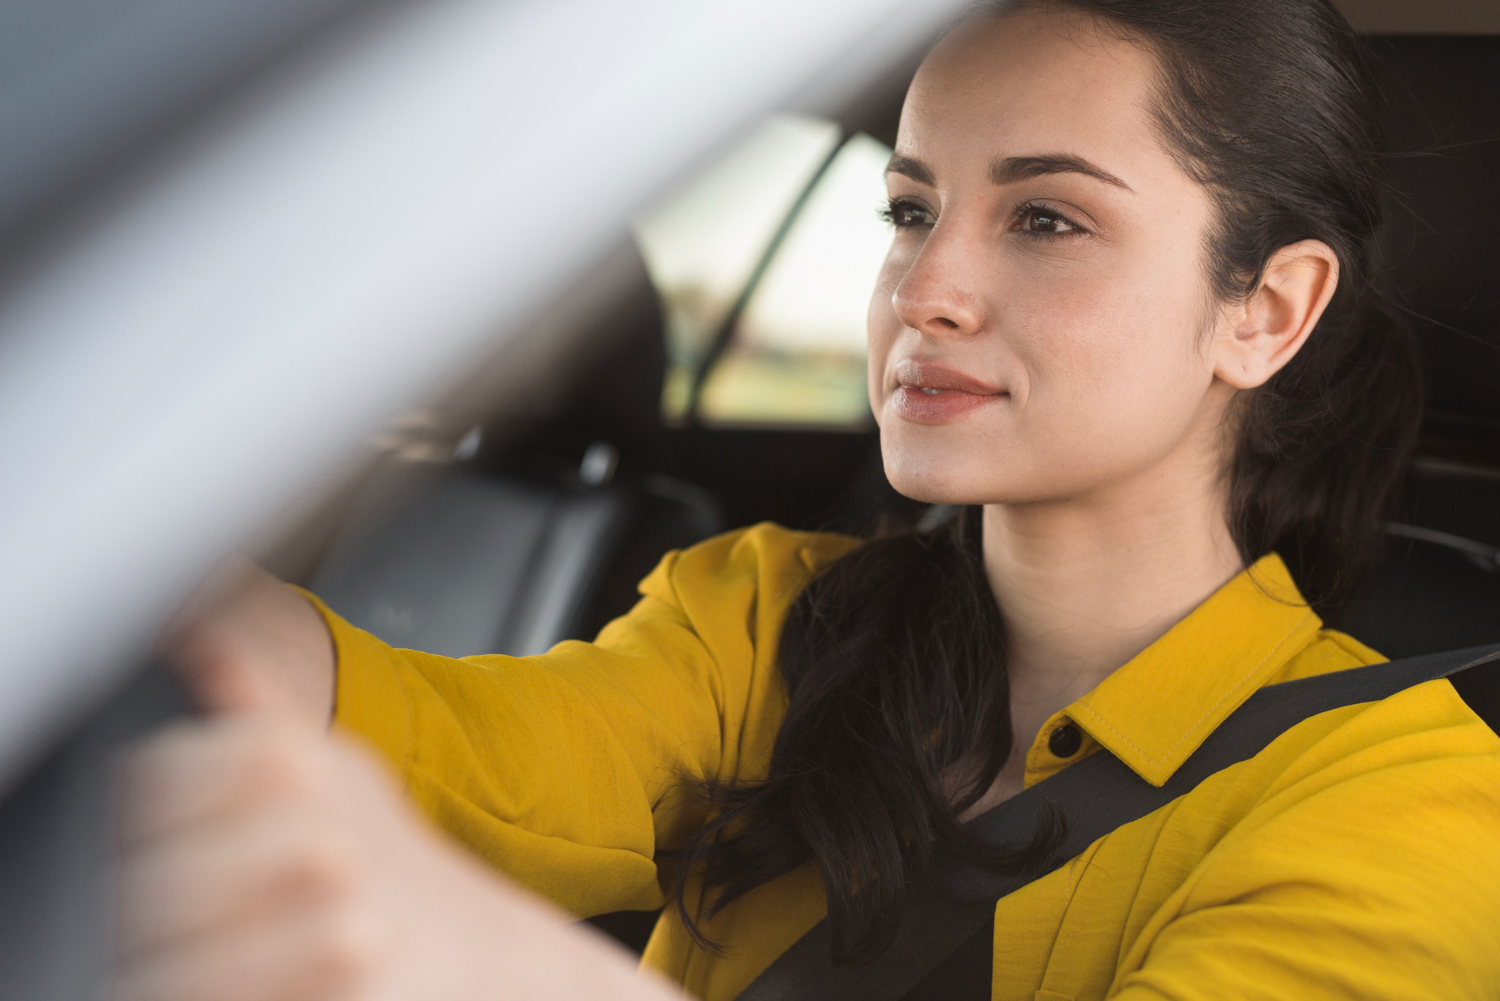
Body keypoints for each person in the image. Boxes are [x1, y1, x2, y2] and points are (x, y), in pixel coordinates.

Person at [115, 0, 1500, 998]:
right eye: (910, 211)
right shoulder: (771, 617)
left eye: (1046, 219)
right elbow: (424, 740)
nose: (925, 291)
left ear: (1265, 310)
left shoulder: (1423, 804)